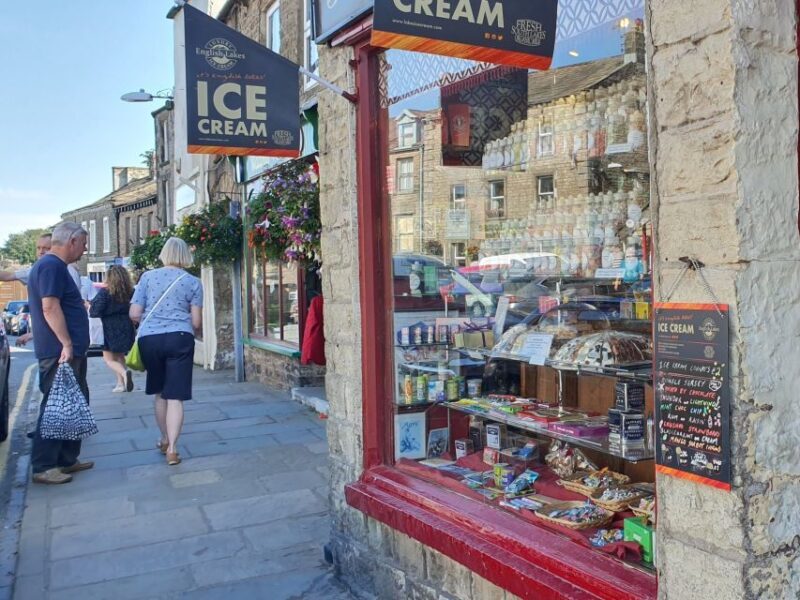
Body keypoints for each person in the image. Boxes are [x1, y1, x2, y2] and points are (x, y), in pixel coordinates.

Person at [27, 222, 93, 484]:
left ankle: (66, 460)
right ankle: (44, 466)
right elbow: (50, 307)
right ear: (72, 241)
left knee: (72, 405)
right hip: (59, 352)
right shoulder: (51, 266)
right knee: (56, 408)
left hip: (66, 351)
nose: (85, 249)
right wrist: (66, 343)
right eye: (83, 244)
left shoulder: (54, 266)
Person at [130, 237, 202, 466]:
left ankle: (163, 439)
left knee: (160, 392)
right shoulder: (193, 282)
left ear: (163, 254)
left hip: (150, 339)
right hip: (180, 338)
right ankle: (172, 449)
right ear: (185, 255)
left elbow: (134, 313)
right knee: (176, 396)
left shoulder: (147, 278)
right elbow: (196, 322)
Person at [0, 233, 52, 347]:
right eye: (38, 248)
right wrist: (34, 334)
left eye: (46, 248)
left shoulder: (63, 269)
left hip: (58, 342)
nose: (41, 252)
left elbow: (53, 309)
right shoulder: (34, 270)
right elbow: (8, 276)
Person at [90, 266, 135, 393]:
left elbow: (95, 311)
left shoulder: (105, 292)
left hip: (109, 326)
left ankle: (124, 374)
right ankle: (121, 384)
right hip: (126, 325)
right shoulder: (130, 291)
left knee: (109, 359)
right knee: (120, 356)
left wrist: (90, 305)